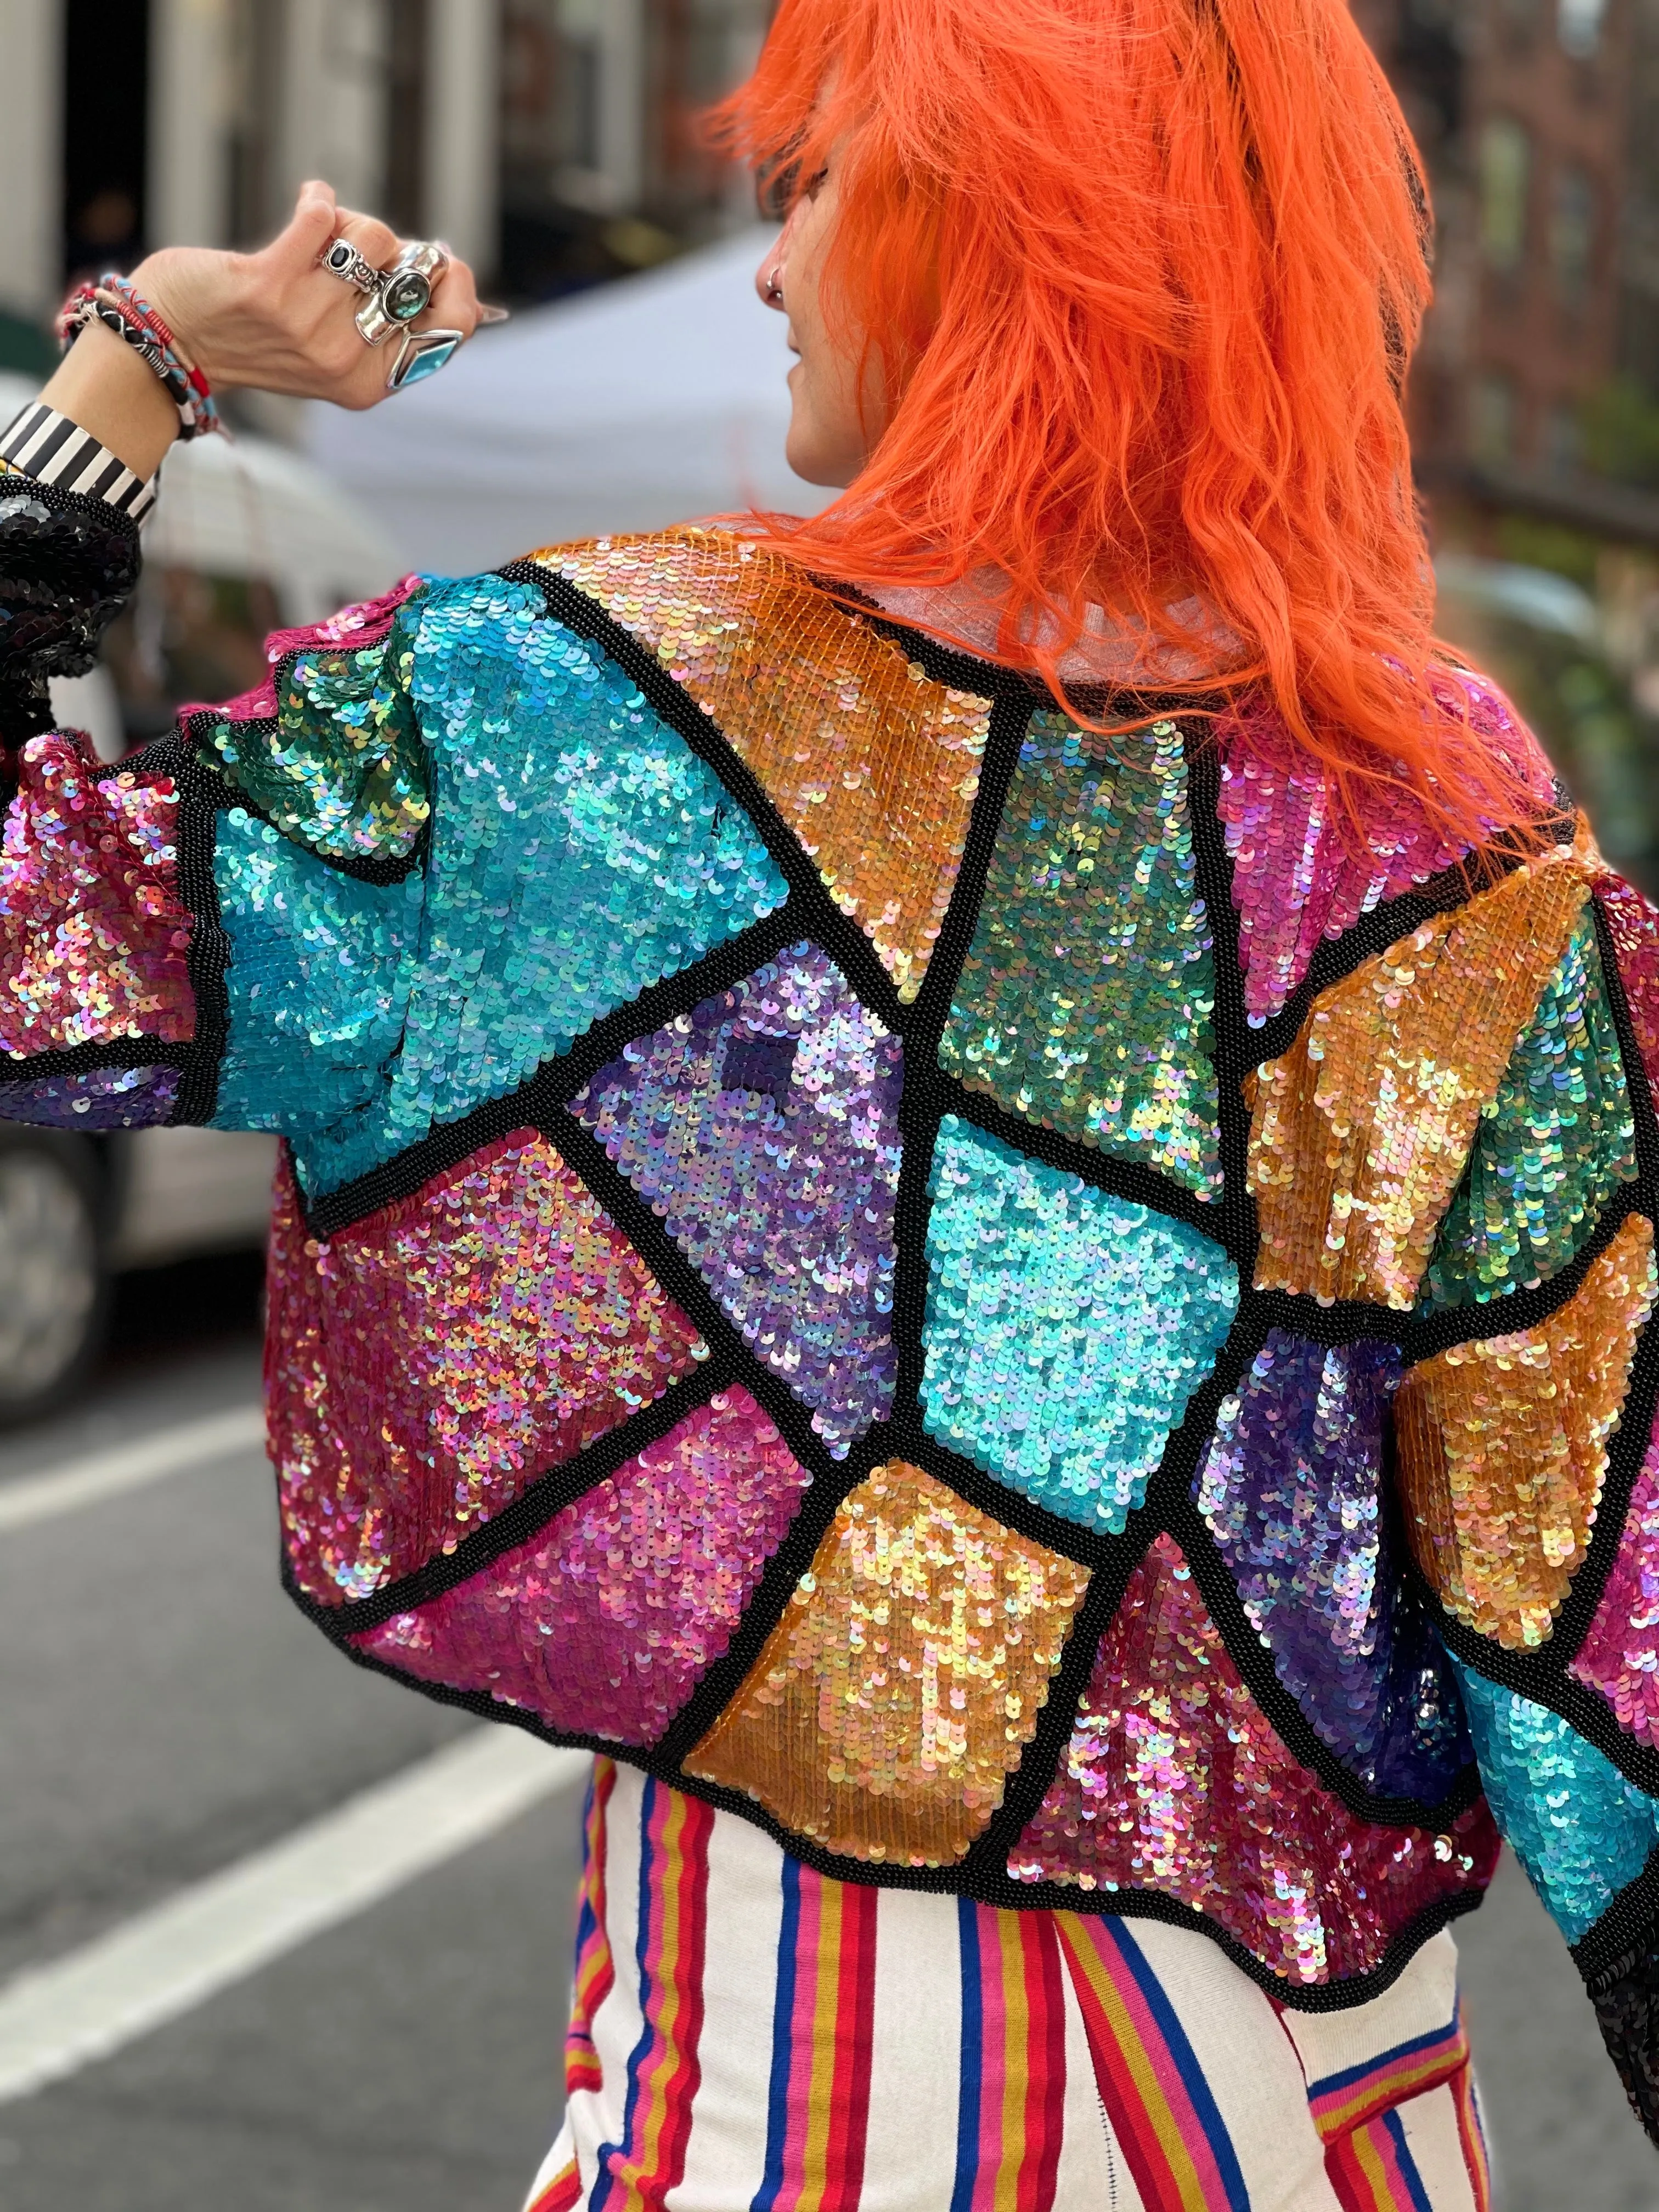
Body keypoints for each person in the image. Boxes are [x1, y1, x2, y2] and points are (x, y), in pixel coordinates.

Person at [4, 0, 1659, 2202]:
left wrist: (139, 361)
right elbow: (1600, 1623)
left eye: (817, 184)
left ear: (1000, 216)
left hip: (810, 2104)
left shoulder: (586, 726)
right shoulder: (1432, 837)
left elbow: (41, 938)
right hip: (1324, 2127)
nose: (769, 266)